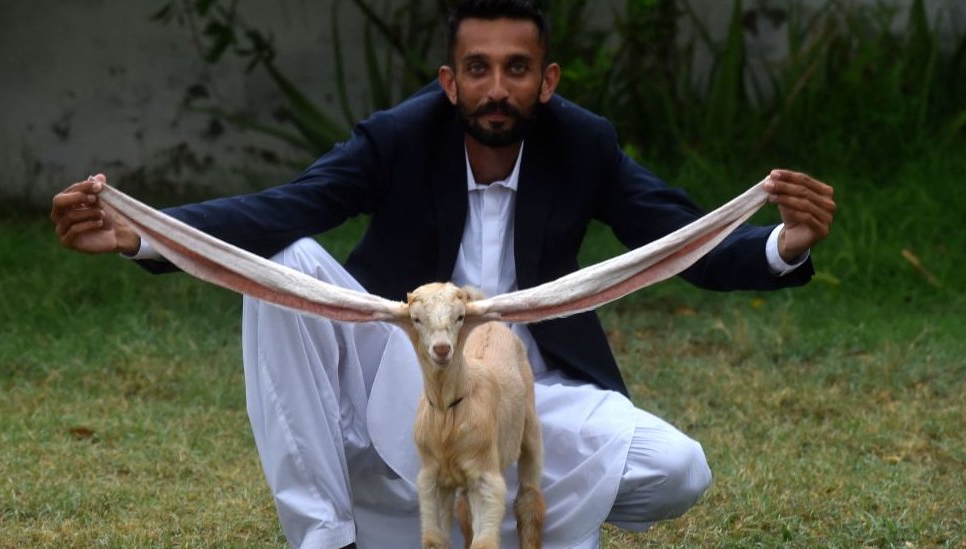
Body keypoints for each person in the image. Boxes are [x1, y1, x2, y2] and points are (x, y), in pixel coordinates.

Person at [50, 1, 836, 547]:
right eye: (480, 69)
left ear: (548, 80)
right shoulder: (397, 138)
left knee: (680, 470)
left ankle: (481, 514)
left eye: (518, 69)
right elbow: (286, 207)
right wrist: (146, 233)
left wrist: (784, 243)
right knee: (288, 261)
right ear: (449, 80)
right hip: (403, 375)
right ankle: (332, 535)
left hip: (528, 394)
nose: (498, 89)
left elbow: (674, 237)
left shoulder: (583, 144)